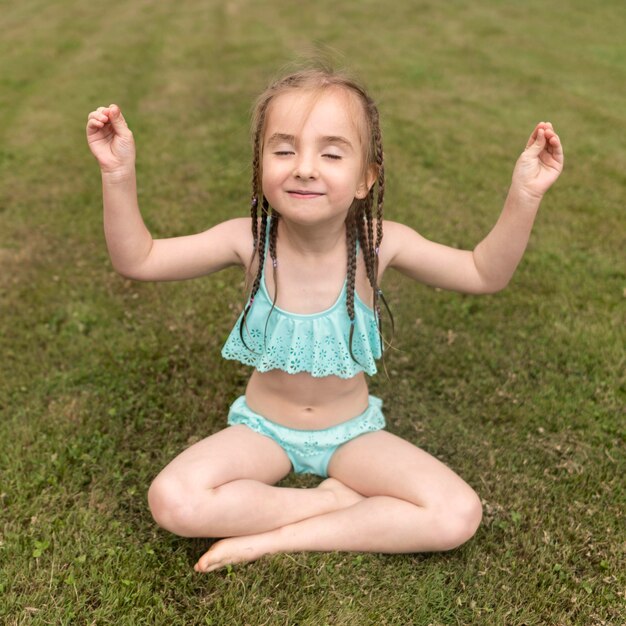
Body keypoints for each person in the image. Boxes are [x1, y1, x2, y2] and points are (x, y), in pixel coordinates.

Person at [86, 67, 563, 573]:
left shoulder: (380, 242)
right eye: (284, 150)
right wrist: (117, 175)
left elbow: (482, 272)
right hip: (262, 432)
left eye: (331, 153)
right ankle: (330, 505)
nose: (305, 168)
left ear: (366, 178)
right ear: (260, 162)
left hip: (351, 435)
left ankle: (271, 538)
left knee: (457, 513)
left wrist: (525, 195)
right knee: (173, 500)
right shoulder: (247, 242)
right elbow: (138, 260)